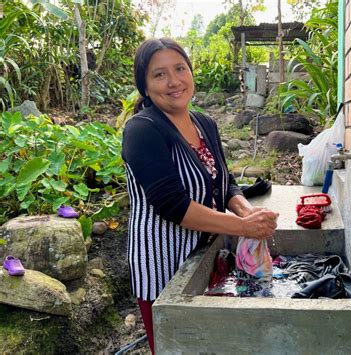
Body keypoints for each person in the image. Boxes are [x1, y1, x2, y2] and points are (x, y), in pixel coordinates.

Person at [121, 38, 279, 354]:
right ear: (145, 85)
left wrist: (245, 210)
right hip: (162, 265)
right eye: (159, 74)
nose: (174, 81)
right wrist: (244, 228)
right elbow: (173, 205)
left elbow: (225, 180)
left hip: (204, 256)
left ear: (191, 73)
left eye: (180, 69)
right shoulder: (142, 130)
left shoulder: (204, 122)